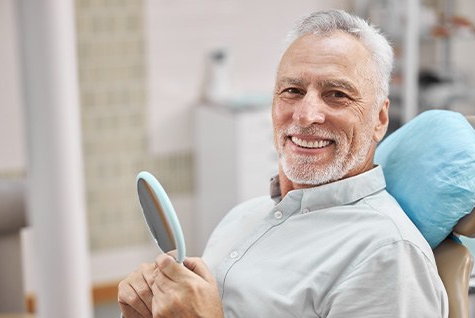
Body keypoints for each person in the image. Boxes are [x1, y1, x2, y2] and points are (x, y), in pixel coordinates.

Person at [118, 9, 449, 317]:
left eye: (337, 94)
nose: (305, 115)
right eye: (292, 90)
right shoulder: (243, 216)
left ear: (379, 118)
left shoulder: (386, 255)